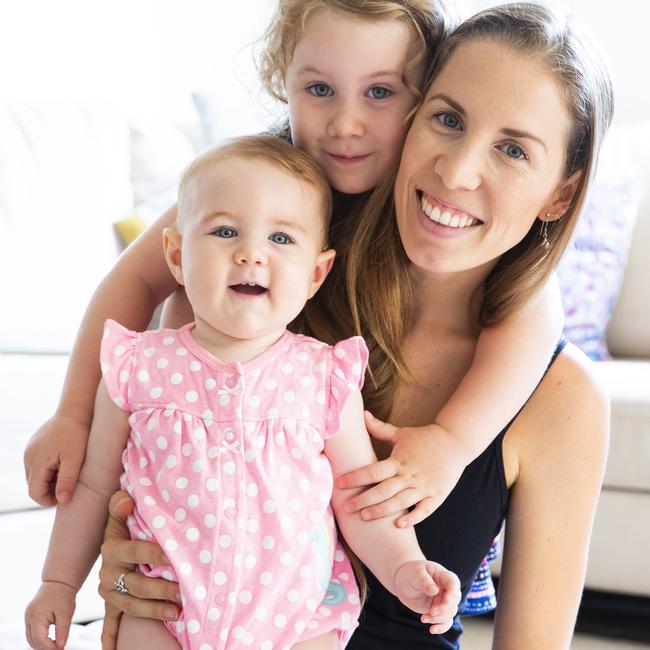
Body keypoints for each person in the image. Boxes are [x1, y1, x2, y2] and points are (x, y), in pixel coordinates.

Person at [96, 4, 614, 649]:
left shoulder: (558, 397)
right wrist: (122, 585)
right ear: (410, 120)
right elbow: (137, 543)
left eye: (513, 150)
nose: (455, 171)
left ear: (560, 196)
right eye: (447, 119)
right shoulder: (256, 303)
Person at [24, 136, 461, 650]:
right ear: (177, 256)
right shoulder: (138, 366)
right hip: (163, 610)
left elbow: (356, 494)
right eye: (225, 231)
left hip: (296, 619)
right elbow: (94, 487)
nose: (251, 253)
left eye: (281, 239)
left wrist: (404, 565)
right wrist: (58, 583)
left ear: (317, 273)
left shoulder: (323, 377)